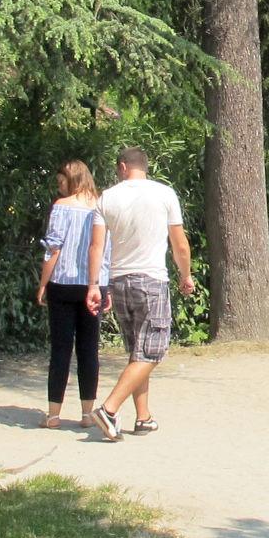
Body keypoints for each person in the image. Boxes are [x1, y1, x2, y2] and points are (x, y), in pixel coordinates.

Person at [85, 147, 194, 442]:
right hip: (151, 280)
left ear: (122, 167)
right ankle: (108, 409)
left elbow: (96, 247)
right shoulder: (164, 194)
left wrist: (95, 284)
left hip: (118, 281)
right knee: (152, 352)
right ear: (144, 167)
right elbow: (180, 244)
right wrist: (186, 275)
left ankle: (143, 417)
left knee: (137, 353)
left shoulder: (106, 197)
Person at [37, 160, 110, 429]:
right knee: (89, 350)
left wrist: (43, 283)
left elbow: (53, 248)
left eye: (61, 182)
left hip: (64, 283)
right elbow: (105, 249)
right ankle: (87, 413)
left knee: (61, 349)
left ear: (72, 179)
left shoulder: (61, 206)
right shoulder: (101, 205)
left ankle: (54, 414)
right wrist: (106, 285)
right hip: (94, 284)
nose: (60, 187)